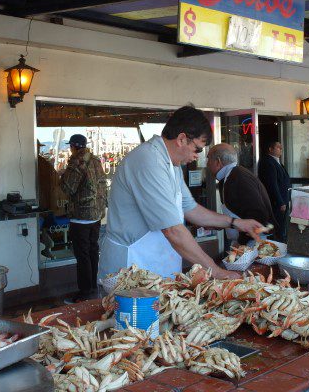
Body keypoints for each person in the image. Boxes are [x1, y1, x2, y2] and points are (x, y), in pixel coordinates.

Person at [99, 106, 263, 282]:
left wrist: (235, 223)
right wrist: (216, 271)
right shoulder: (149, 161)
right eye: (198, 150)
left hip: (156, 265)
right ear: (182, 139)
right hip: (132, 266)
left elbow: (191, 209)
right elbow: (172, 230)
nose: (197, 157)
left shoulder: (172, 164)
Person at [59, 134, 108, 303]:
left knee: (83, 255)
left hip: (81, 216)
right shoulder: (95, 159)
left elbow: (68, 187)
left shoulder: (77, 161)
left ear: (73, 146)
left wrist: (62, 176)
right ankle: (93, 288)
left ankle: (85, 293)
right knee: (93, 251)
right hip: (96, 215)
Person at [207, 143, 280, 245]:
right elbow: (238, 211)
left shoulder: (238, 178)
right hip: (248, 241)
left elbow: (258, 214)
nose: (207, 164)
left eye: (208, 159)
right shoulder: (232, 176)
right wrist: (218, 224)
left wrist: (242, 243)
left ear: (218, 161)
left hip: (256, 242)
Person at [258, 141, 291, 240]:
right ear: (270, 149)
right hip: (275, 203)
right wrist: (280, 202)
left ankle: (280, 245)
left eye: (281, 147)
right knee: (276, 228)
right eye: (278, 147)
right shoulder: (268, 162)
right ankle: (276, 247)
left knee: (281, 227)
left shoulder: (277, 161)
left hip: (283, 200)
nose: (281, 149)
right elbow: (272, 184)